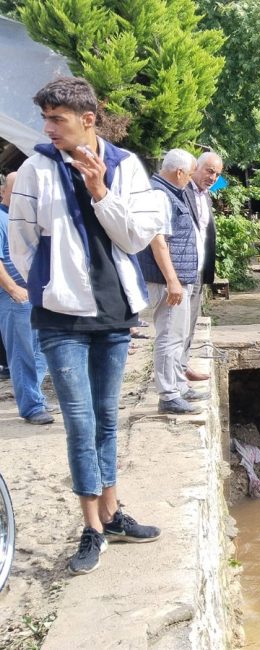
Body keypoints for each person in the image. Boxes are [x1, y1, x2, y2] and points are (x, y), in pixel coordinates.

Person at [9, 77, 163, 575]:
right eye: (46, 119)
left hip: (114, 311)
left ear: (88, 119)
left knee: (106, 415)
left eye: (58, 119)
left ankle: (114, 513)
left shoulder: (125, 167)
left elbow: (137, 237)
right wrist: (52, 285)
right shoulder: (35, 170)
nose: (48, 128)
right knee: (79, 420)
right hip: (60, 316)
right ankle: (92, 527)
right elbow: (23, 240)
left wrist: (100, 190)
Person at [137, 149, 207, 415]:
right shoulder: (160, 195)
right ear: (179, 172)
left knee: (177, 335)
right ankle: (168, 395)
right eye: (190, 174)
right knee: (169, 335)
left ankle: (178, 386)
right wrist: (173, 280)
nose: (191, 180)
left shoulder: (170, 192)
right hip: (170, 280)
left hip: (180, 277)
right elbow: (159, 242)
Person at [0, 171, 53, 424]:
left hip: (36, 293)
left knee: (43, 348)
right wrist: (13, 290)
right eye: (16, 188)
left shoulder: (27, 218)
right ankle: (31, 406)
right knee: (22, 353)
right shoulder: (1, 219)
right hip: (14, 296)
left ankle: (35, 397)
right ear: (4, 192)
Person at [180, 151, 223, 382]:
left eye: (217, 174)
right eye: (209, 171)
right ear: (196, 167)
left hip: (198, 267)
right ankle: (173, 374)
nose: (213, 177)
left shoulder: (205, 196)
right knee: (176, 323)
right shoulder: (181, 191)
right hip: (180, 268)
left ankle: (183, 365)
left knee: (191, 320)